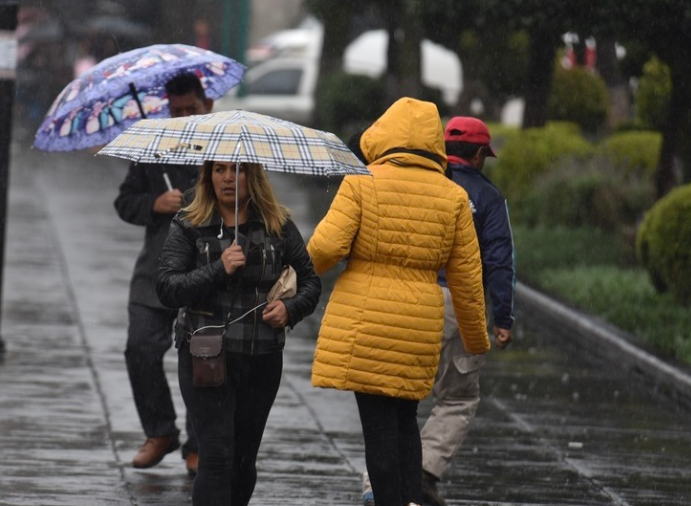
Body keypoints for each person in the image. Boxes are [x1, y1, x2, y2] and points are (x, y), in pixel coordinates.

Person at [308, 98, 490, 506]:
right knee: (406, 418)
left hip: (365, 319)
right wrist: (476, 338)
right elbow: (466, 276)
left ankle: (389, 499)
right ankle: (410, 498)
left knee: (377, 427)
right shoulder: (453, 196)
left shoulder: (361, 180)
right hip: (420, 323)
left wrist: (297, 277)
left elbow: (326, 247)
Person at [360, 116, 516, 506]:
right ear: (480, 154)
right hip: (462, 303)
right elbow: (499, 259)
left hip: (411, 298)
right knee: (457, 397)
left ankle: (375, 485)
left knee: (395, 396)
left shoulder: (422, 183)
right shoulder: (489, 198)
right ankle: (424, 471)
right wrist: (503, 318)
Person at [156, 160, 321, 506]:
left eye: (238, 170)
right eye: (219, 170)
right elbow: (168, 288)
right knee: (216, 456)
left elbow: (310, 283)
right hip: (206, 356)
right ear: (208, 177)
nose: (228, 178)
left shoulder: (278, 225)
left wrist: (290, 310)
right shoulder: (190, 224)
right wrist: (220, 268)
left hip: (260, 358)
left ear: (253, 176)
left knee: (244, 460)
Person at [113, 72, 213, 475]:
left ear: (206, 104)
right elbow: (125, 202)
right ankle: (160, 431)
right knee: (140, 347)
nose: (185, 116)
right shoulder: (152, 146)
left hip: (206, 270)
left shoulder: (223, 146)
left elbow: (247, 201)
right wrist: (155, 203)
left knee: (203, 361)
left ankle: (199, 443)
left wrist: (195, 202)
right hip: (155, 270)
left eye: (192, 108)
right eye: (177, 110)